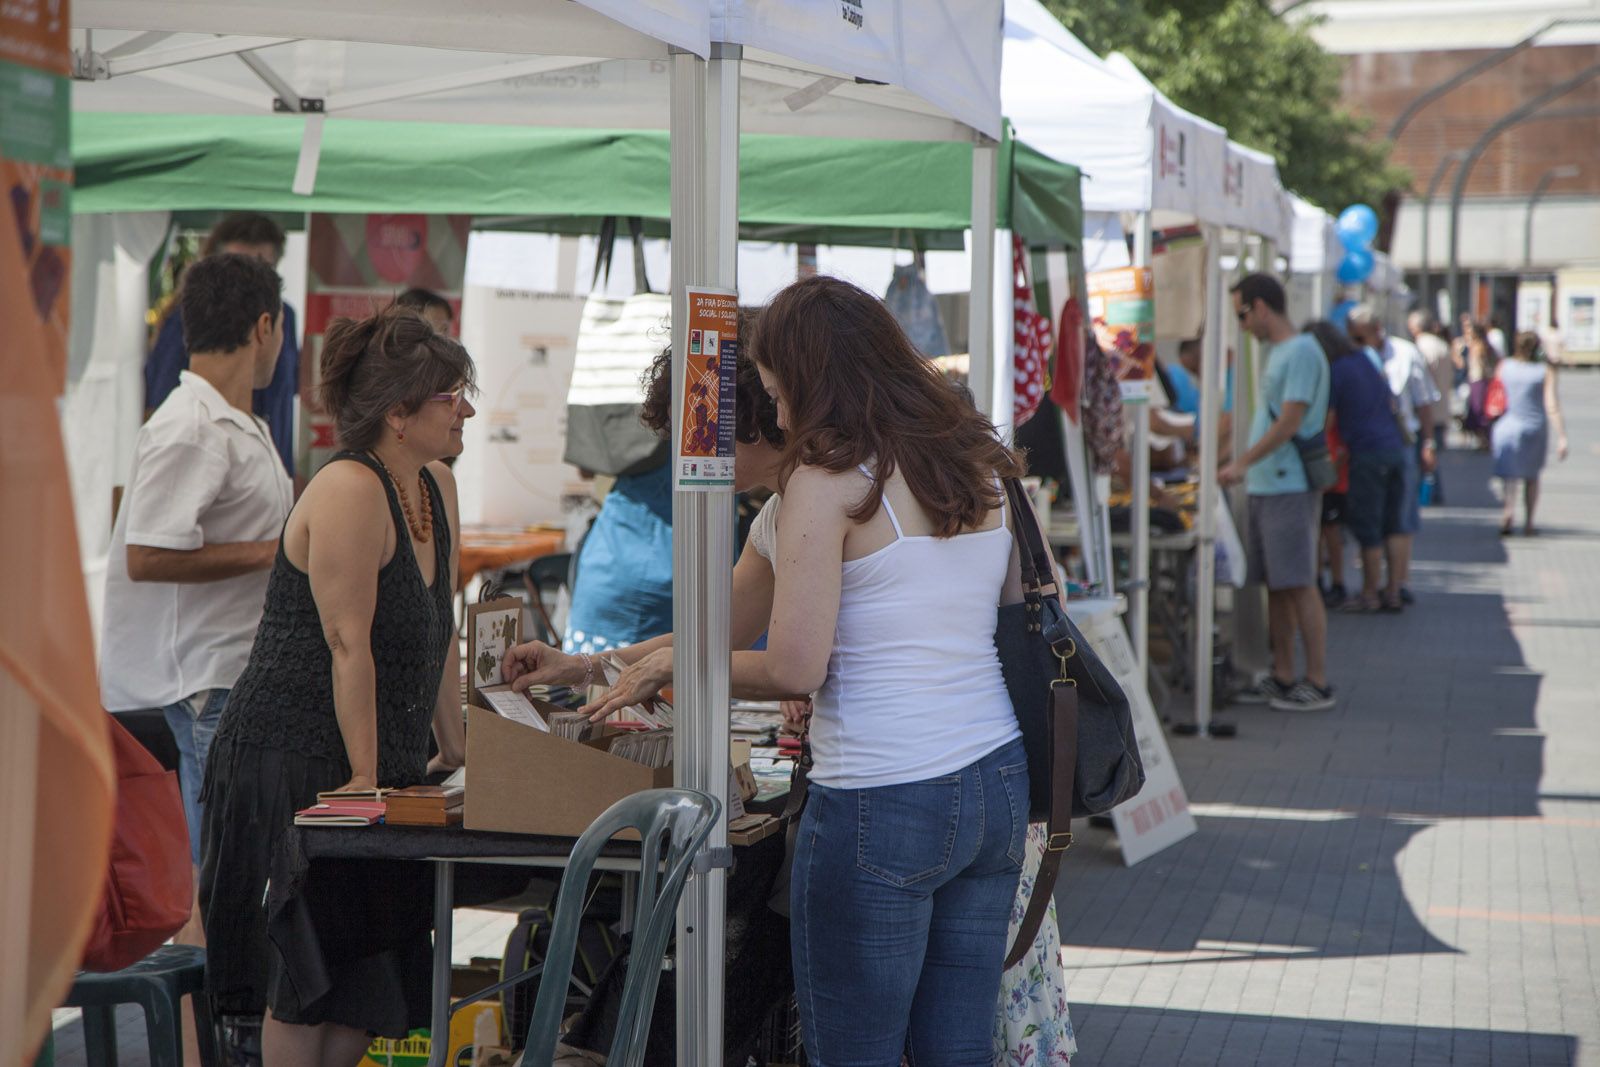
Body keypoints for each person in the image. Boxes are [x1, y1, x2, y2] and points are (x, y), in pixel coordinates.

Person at [506, 341, 1078, 1066]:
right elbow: (719, 628)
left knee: (858, 1046)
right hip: (992, 777)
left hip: (886, 788)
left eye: (701, 433)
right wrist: (587, 663)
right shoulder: (948, 464)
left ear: (756, 418)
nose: (691, 458)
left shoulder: (824, 488)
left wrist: (683, 665)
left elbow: (789, 665)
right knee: (953, 1045)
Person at [199, 305, 473, 1065]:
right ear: (398, 413)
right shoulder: (351, 487)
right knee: (303, 982)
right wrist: (363, 781)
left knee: (367, 983)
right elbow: (348, 643)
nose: (467, 411)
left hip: (377, 765)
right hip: (298, 757)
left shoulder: (436, 487)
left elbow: (438, 632)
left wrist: (454, 750)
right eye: (452, 397)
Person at [100, 254, 292, 948]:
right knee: (220, 879)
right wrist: (275, 552)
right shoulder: (191, 427)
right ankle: (209, 1006)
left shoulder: (234, 421)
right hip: (206, 680)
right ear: (264, 327)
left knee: (234, 872)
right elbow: (147, 554)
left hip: (230, 673)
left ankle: (219, 1000)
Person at [1220, 273, 1334, 712]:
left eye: (1242, 314)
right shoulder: (1278, 351)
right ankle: (1284, 673)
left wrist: (1241, 464)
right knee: (1278, 585)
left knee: (1299, 583)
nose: (1242, 324)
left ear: (1261, 307)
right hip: (1270, 484)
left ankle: (1317, 680)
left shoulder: (1301, 350)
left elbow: (1289, 422)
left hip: (1289, 483)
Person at [147, 213, 301, 475]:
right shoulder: (188, 318)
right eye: (237, 267)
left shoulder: (284, 317)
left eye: (262, 268)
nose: (250, 282)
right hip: (209, 467)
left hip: (271, 469)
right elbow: (160, 401)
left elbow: (290, 388)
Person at [1308, 320, 1409, 614]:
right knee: (1392, 526)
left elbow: (1327, 420)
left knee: (1369, 528)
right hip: (1394, 448)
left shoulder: (1336, 371)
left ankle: (1369, 594)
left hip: (1367, 453)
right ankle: (1392, 591)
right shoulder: (1365, 361)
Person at [1346, 306, 1438, 607]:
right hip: (1377, 446)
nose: (1356, 343)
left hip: (1401, 443)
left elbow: (1424, 402)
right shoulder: (1358, 359)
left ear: (1376, 331)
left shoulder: (1405, 354)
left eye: (1359, 337)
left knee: (1399, 517)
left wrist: (1428, 443)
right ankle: (1384, 589)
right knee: (1384, 519)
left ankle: (1395, 586)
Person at [1492, 332, 1570, 536]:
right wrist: (1562, 435)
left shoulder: (1504, 366)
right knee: (1531, 476)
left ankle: (1508, 511)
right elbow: (1551, 404)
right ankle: (1529, 522)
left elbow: (1496, 394)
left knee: (1509, 475)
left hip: (1507, 426)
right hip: (1533, 427)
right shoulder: (1544, 371)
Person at [1408, 310, 1455, 504]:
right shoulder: (1442, 346)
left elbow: (1420, 385)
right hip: (1441, 409)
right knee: (1432, 455)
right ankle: (1435, 493)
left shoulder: (1421, 348)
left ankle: (1430, 494)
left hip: (1427, 411)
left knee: (1425, 455)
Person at [1456, 318, 1498, 450]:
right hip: (1476, 379)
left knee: (1478, 409)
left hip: (1479, 379)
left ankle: (1484, 439)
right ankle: (1482, 439)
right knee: (1476, 409)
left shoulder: (1480, 346)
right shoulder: (1478, 345)